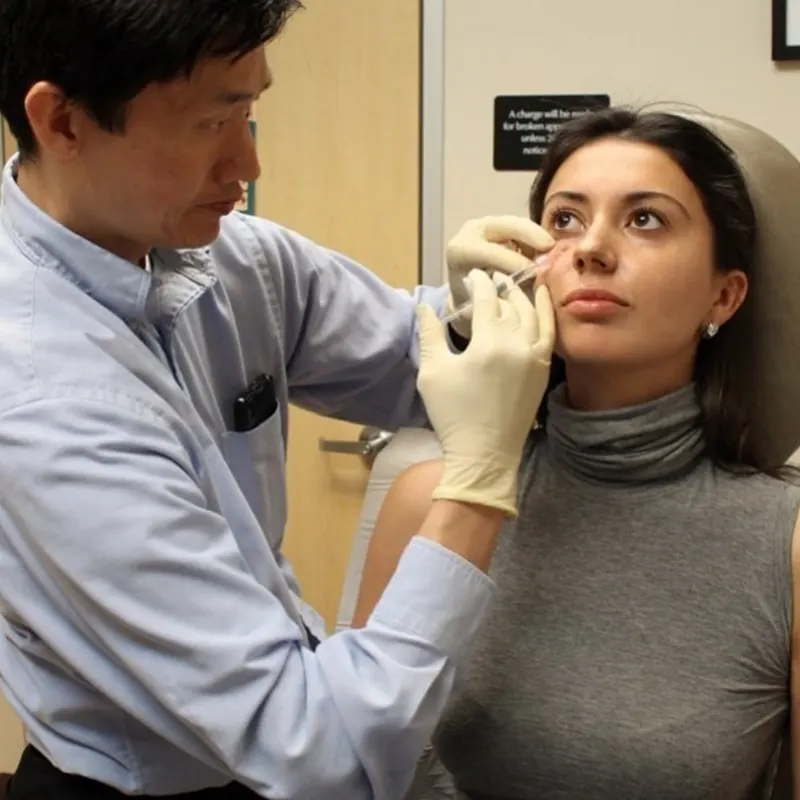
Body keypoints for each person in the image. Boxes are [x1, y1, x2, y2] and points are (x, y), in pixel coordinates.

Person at [0, 1, 562, 798]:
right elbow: (320, 752)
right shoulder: (41, 403)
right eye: (211, 123)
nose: (246, 166)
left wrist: (486, 313)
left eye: (252, 112)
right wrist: (477, 480)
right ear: (62, 121)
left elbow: (415, 355)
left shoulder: (230, 257)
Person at [350, 106, 800, 799]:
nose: (591, 248)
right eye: (564, 220)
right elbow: (356, 762)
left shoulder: (788, 542)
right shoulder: (427, 500)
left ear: (725, 293)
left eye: (645, 219)